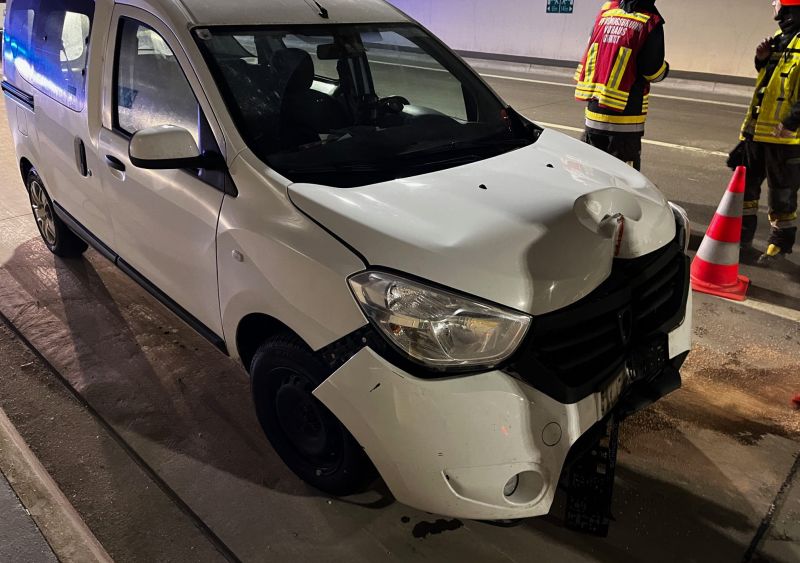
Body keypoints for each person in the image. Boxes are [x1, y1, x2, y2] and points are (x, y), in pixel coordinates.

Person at [574, 0, 669, 170]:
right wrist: (665, 69)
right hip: (625, 117)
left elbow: (591, 45)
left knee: (590, 171)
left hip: (595, 111)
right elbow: (652, 71)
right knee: (623, 177)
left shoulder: (606, 11)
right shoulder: (649, 21)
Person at [740, 0, 800, 266]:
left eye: (775, 2)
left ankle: (779, 246)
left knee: (782, 194)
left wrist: (790, 123)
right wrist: (760, 60)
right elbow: (769, 80)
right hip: (758, 133)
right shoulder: (779, 38)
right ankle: (741, 237)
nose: (773, 6)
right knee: (746, 190)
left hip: (785, 138)